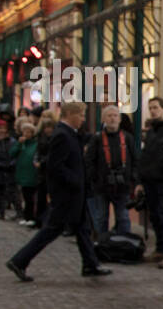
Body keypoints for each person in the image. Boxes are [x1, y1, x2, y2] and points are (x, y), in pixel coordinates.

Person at [6, 102, 111, 282]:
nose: (83, 119)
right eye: (81, 115)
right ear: (71, 114)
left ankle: (90, 264)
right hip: (67, 195)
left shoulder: (69, 134)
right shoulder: (62, 135)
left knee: (82, 228)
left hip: (74, 193)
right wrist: (76, 181)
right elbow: (56, 167)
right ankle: (19, 260)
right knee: (52, 229)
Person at [85, 104, 141, 237]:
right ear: (103, 119)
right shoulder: (97, 139)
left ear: (120, 119)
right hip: (102, 185)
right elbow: (89, 161)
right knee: (101, 217)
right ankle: (101, 243)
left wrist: (132, 177)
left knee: (123, 217)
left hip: (123, 185)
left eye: (115, 116)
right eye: (109, 116)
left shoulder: (127, 138)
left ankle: (123, 243)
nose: (112, 119)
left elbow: (135, 159)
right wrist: (94, 178)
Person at [139, 97, 163, 263]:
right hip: (149, 178)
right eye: (150, 108)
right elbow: (147, 154)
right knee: (154, 216)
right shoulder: (151, 129)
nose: (153, 110)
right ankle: (160, 248)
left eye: (156, 107)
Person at [33, 113, 57, 227]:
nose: (48, 130)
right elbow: (37, 151)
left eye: (50, 127)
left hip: (51, 170)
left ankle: (49, 220)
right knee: (41, 196)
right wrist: (36, 161)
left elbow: (53, 154)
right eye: (46, 127)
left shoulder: (56, 139)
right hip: (42, 172)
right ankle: (40, 219)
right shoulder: (41, 138)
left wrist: (41, 162)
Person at [13, 121, 40, 225]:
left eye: (29, 132)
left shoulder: (35, 145)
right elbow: (12, 153)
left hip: (31, 173)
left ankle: (31, 217)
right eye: (24, 131)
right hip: (22, 173)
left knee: (30, 197)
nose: (26, 134)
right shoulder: (21, 144)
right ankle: (26, 216)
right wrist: (18, 144)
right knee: (25, 195)